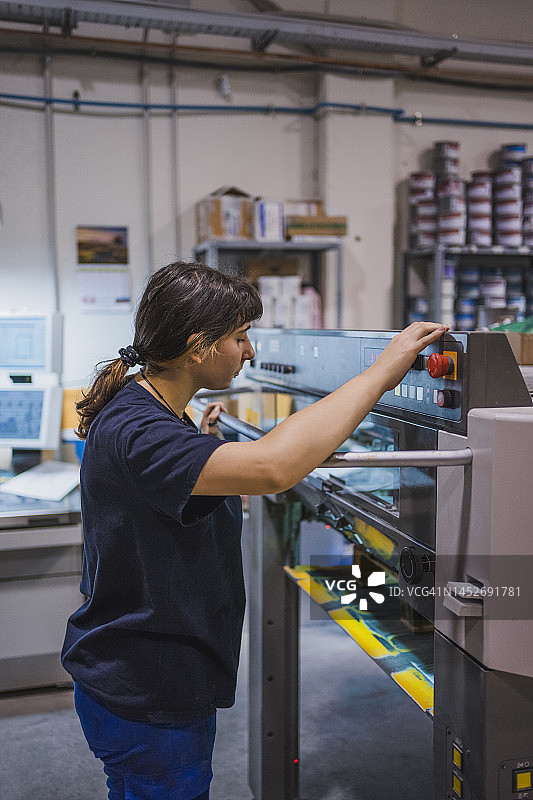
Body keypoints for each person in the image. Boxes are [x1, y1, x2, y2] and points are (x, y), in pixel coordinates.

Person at [62, 261, 448, 800]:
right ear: (198, 345)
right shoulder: (141, 430)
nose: (249, 350)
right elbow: (272, 468)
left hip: (147, 671)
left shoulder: (152, 409)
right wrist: (385, 369)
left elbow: (200, 475)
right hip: (147, 683)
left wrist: (208, 440)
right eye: (240, 336)